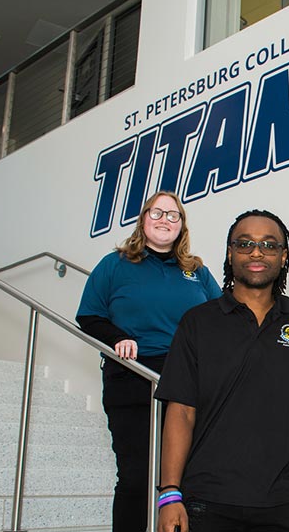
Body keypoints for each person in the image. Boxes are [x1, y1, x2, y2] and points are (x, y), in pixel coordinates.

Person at [154, 209, 289, 532]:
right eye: (244, 244)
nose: (256, 252)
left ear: (284, 257)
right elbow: (182, 410)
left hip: (286, 499)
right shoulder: (198, 322)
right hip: (209, 499)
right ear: (230, 254)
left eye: (269, 245)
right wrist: (169, 493)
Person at [76, 191, 223, 532]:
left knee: (188, 478)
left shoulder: (195, 270)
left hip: (186, 382)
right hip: (133, 376)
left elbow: (223, 317)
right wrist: (117, 338)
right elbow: (89, 315)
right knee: (137, 476)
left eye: (173, 215)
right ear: (143, 219)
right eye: (157, 213)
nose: (164, 220)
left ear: (181, 226)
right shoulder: (115, 264)